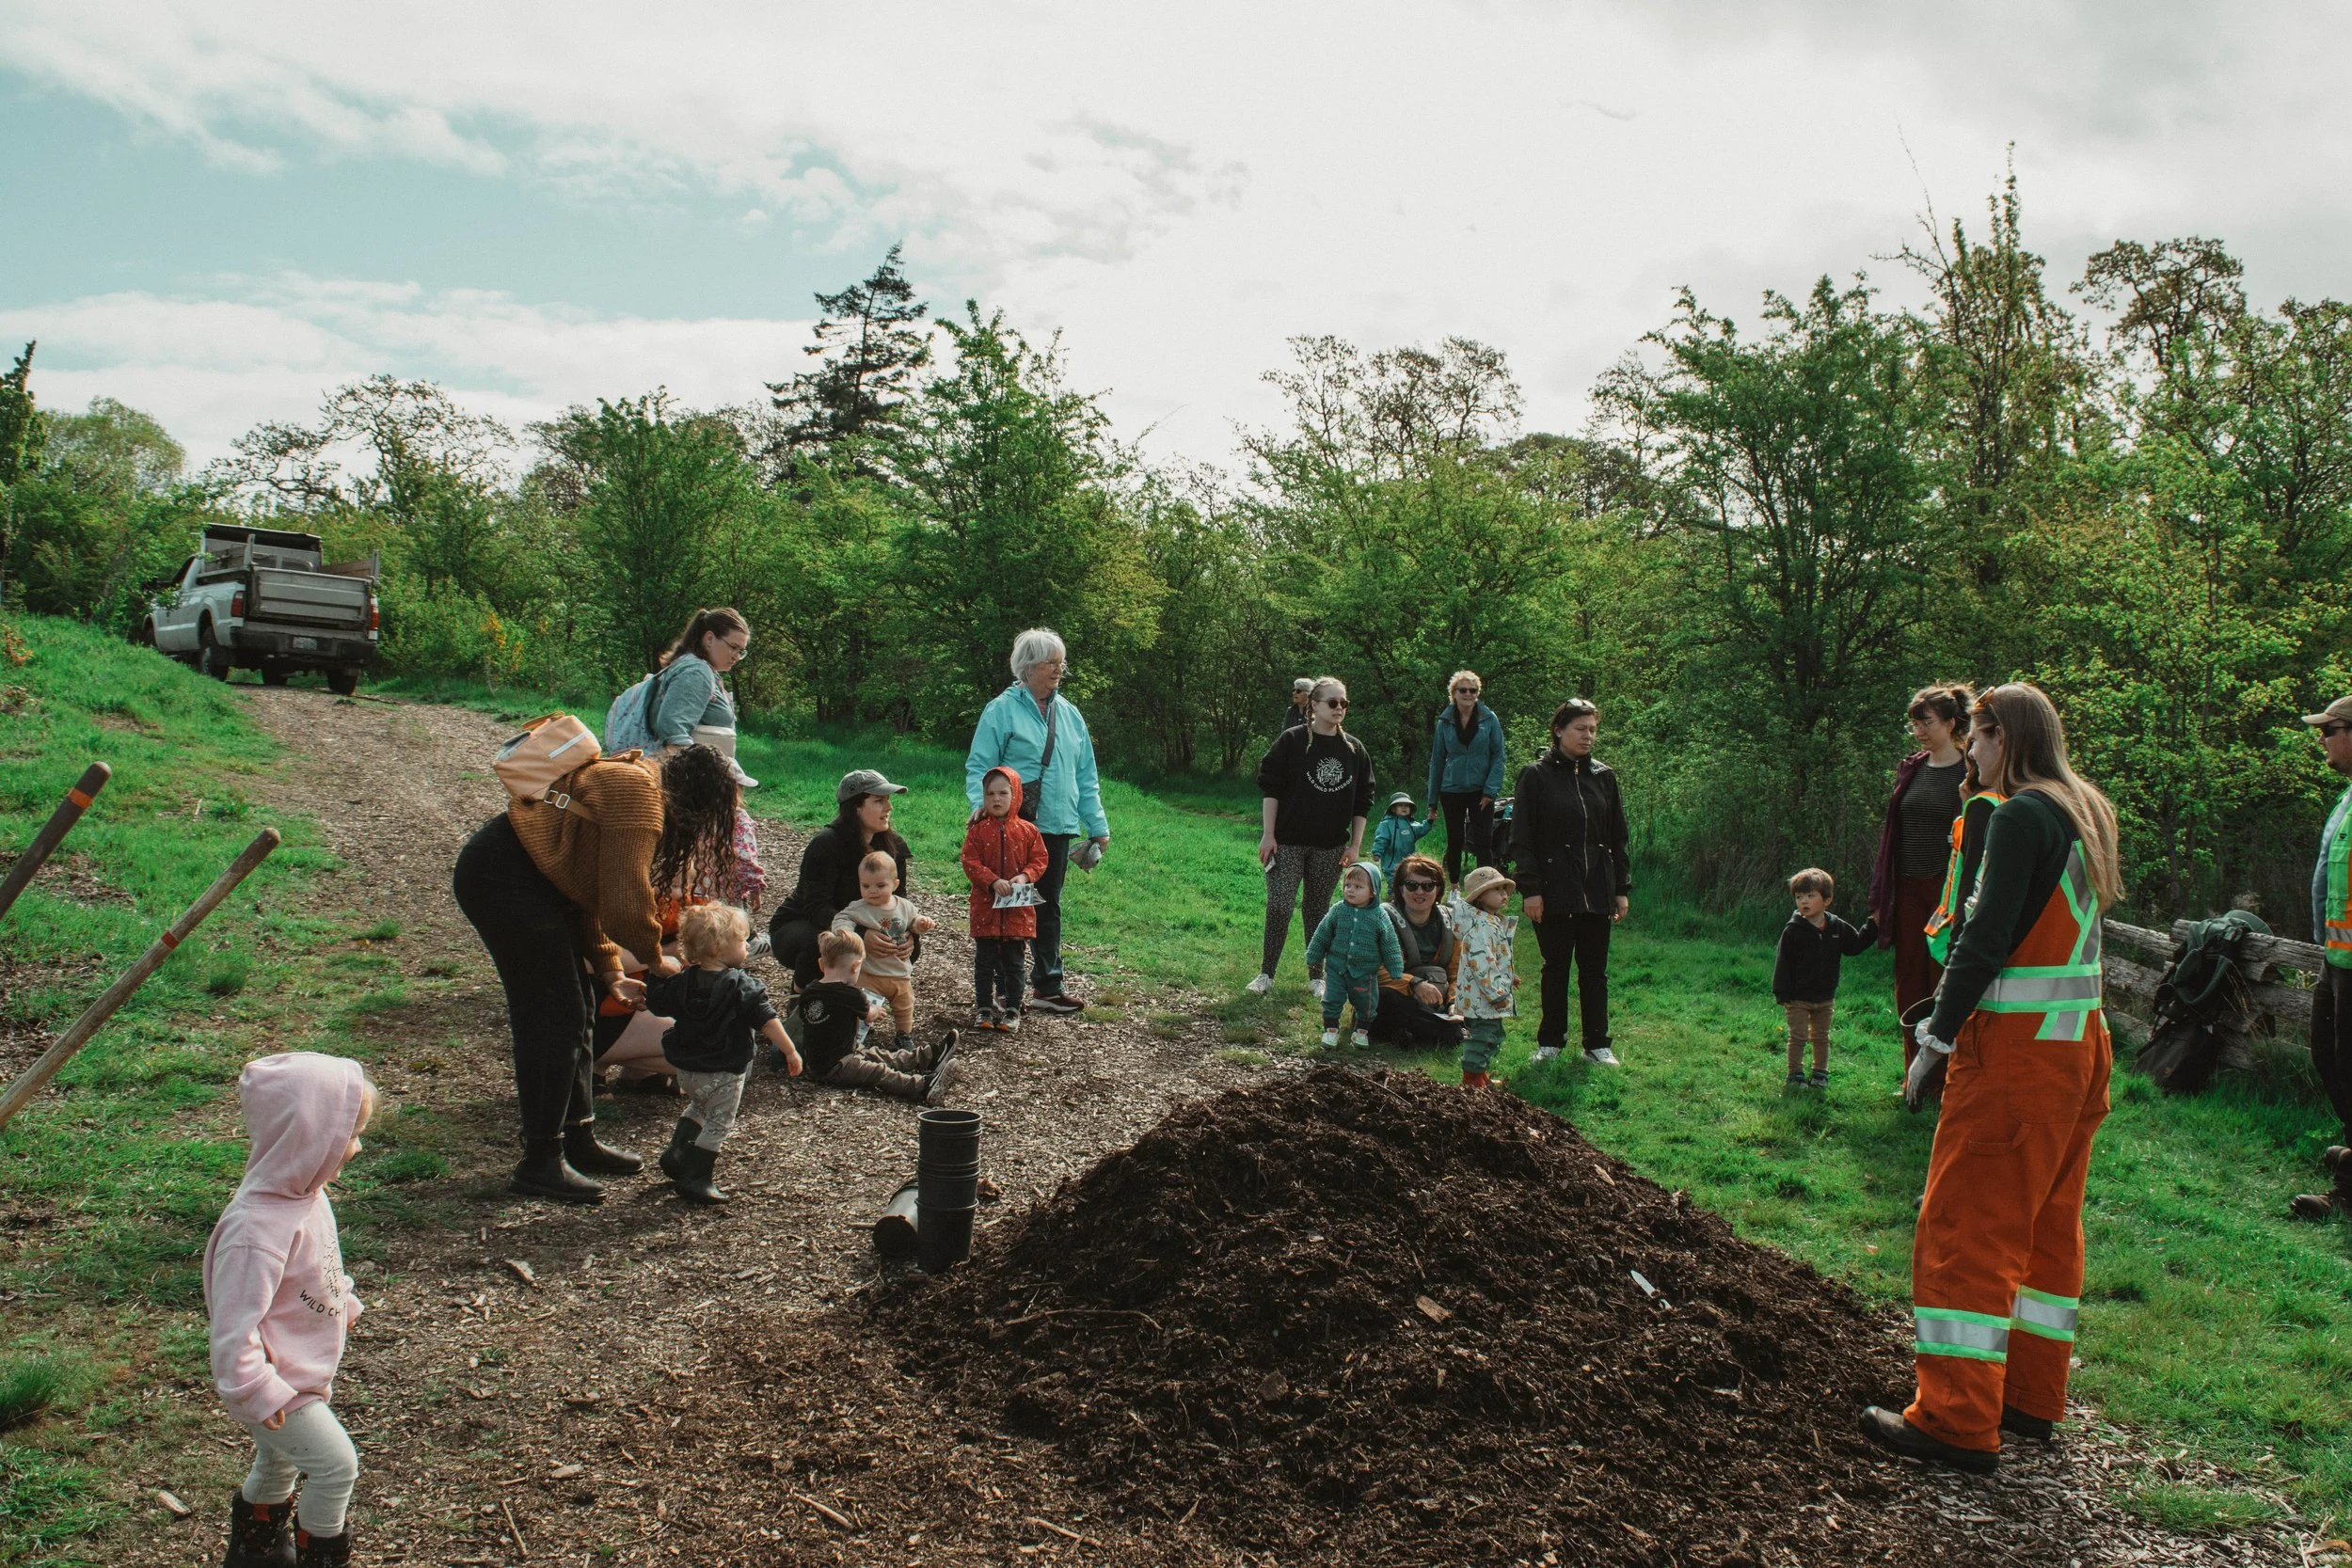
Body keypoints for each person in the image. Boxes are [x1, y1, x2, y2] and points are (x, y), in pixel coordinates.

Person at [1861, 683, 2121, 1475]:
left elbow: (1983, 937)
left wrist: (1933, 1040)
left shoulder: (2015, 816)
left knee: (1966, 1227)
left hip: (2013, 1055)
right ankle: (2028, 1399)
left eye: (1976, 738)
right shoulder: (2085, 810)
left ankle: (1955, 1417)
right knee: (2044, 1229)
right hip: (2078, 1046)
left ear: (2002, 736)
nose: (1968, 754)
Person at [453, 743, 739, 1203]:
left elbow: (590, 895)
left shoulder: (638, 789)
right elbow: (627, 905)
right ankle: (540, 1161)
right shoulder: (640, 800)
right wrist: (655, 959)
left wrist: (609, 971)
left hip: (535, 885)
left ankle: (578, 1138)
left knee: (580, 1006)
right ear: (705, 801)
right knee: (552, 1016)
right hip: (504, 880)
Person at [207, 1053, 373, 1568]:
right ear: (307, 1136)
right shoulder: (256, 1232)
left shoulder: (307, 1195)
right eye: (349, 1133)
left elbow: (317, 1261)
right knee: (336, 1466)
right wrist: (257, 1390)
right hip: (271, 1382)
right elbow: (233, 1329)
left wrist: (337, 1296)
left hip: (296, 1371)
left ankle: (255, 1552)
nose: (358, 1145)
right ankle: (322, 1555)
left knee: (279, 1464)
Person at [963, 628, 1110, 1015]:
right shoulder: (1001, 710)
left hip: (1058, 825)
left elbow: (1086, 775)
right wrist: (982, 805)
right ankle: (1001, 988)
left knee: (1049, 906)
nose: (1058, 669)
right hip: (1013, 826)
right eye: (1050, 662)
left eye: (1061, 662)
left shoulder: (1071, 715)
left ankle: (1048, 985)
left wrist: (1097, 825)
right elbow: (980, 765)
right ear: (1027, 668)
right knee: (1007, 905)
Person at [645, 904, 800, 1206]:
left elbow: (657, 1003)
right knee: (720, 1122)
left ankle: (677, 1152)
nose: (747, 947)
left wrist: (654, 976)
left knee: (699, 1106)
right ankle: (696, 1178)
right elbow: (767, 1020)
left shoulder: (681, 982)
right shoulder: (742, 986)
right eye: (743, 941)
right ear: (720, 947)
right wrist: (790, 1049)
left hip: (687, 1072)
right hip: (725, 1071)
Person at [1511, 699, 1629, 1066]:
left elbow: (1617, 838)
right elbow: (1522, 838)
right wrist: (1531, 889)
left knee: (1595, 970)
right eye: (1580, 728)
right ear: (1559, 730)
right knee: (1556, 966)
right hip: (1552, 888)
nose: (1588, 736)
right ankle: (1551, 1042)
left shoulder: (1604, 778)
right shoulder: (1535, 775)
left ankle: (1597, 1044)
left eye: (1593, 729)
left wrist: (1621, 889)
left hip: (1597, 889)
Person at [1868, 685, 1975, 1072]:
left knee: (1944, 983)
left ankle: (1949, 1076)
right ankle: (1915, 1073)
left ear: (1951, 723)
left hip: (1948, 891)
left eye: (1926, 723)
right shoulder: (1911, 767)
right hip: (1908, 889)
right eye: (1914, 725)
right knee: (1910, 982)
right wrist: (1882, 899)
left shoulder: (1972, 770)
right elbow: (1890, 836)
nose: (1919, 732)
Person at [1248, 676, 1374, 997]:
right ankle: (1266, 974)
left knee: (1317, 911)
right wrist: (1268, 835)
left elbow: (1363, 800)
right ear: (1314, 705)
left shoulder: (1354, 749)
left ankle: (1317, 977)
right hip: (1287, 842)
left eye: (1344, 703)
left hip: (1330, 846)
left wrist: (1355, 845)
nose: (1339, 708)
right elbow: (1271, 788)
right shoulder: (1291, 741)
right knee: (1279, 905)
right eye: (1332, 702)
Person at [767, 770, 914, 990]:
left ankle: (859, 1008)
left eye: (888, 800)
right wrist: (860, 934)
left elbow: (898, 900)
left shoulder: (893, 846)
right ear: (856, 807)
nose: (889, 807)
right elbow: (816, 907)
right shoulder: (826, 844)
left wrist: (906, 934)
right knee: (828, 943)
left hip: (865, 920)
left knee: (902, 945)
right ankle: (803, 999)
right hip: (801, 924)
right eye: (879, 800)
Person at [2292, 693, 2352, 1220]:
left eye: (2329, 729)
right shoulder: (2348, 797)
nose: (2322, 738)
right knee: (2328, 1057)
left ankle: (2347, 1190)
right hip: (2336, 960)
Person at [790, 930, 957, 1103]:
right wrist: (876, 1010)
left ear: (821, 964)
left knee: (879, 1055)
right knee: (878, 1071)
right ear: (856, 966)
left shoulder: (810, 991)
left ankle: (928, 1057)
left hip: (821, 1062)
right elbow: (868, 1016)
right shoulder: (851, 995)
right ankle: (922, 1086)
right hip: (838, 1066)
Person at [961, 767, 1050, 1033]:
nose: (996, 799)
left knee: (1014, 962)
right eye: (990, 794)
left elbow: (1040, 859)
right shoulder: (977, 831)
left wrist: (1024, 876)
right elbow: (969, 860)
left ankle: (1012, 1009)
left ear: (1016, 795)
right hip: (986, 908)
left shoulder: (1028, 831)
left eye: (1003, 793)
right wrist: (991, 880)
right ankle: (983, 1009)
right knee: (984, 962)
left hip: (1017, 911)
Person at [1772, 869, 1878, 1089]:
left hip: (1825, 996)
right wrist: (1782, 994)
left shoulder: (1836, 927)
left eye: (1810, 896)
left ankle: (1820, 1073)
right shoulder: (1792, 931)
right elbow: (1782, 963)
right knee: (1798, 1037)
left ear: (1827, 900)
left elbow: (1855, 945)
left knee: (1821, 1037)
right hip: (1798, 997)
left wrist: (1873, 925)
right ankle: (1795, 1074)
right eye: (1799, 897)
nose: (1804, 901)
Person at [832, 851, 936, 1050]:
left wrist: (920, 924)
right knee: (861, 1001)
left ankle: (903, 1035)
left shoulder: (904, 906)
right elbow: (841, 918)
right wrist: (845, 931)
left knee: (905, 1006)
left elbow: (913, 923)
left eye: (880, 886)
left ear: (895, 884)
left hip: (899, 972)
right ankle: (860, 1030)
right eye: (865, 886)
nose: (872, 891)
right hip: (869, 972)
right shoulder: (859, 908)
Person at [1367, 853, 1468, 1049]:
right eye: (1412, 885)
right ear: (1400, 889)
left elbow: (1458, 972)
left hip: (1438, 1001)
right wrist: (1414, 984)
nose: (1420, 892)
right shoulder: (1380, 920)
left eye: (1428, 886)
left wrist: (1454, 1003)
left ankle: (1426, 1031)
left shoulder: (1451, 922)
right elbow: (1371, 968)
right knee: (1384, 998)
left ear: (1438, 890)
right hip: (1397, 994)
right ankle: (1441, 1032)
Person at [1306, 861, 1404, 1049]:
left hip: (1364, 972)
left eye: (1358, 887)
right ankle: (1330, 1031)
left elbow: (1390, 943)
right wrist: (1314, 955)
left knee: (1366, 1004)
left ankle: (1361, 1032)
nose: (1351, 890)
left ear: (1373, 891)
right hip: (1336, 967)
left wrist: (1395, 967)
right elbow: (1322, 934)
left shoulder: (1379, 916)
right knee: (1331, 1000)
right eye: (1347, 886)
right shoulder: (1338, 910)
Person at [1427, 671, 1506, 883]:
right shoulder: (1444, 722)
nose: (1468, 694)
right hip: (1451, 789)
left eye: (1473, 690)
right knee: (1455, 839)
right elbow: (1437, 760)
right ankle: (1453, 886)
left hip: (1481, 790)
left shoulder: (1489, 719)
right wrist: (1432, 800)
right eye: (1463, 690)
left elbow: (1498, 755)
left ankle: (1487, 887)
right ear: (1454, 693)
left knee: (1484, 840)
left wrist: (1491, 791)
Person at [1450, 865, 1518, 1088]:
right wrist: (1497, 991)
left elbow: (1496, 959)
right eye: (1496, 889)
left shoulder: (1490, 921)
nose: (1504, 894)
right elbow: (1481, 963)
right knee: (1481, 1036)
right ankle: (1471, 1080)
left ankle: (1481, 1076)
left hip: (1484, 995)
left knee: (1490, 1034)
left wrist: (1509, 977)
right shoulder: (1481, 927)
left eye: (1504, 889)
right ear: (1479, 897)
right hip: (1482, 997)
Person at [1372, 791, 1435, 895]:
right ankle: (1393, 893)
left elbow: (1422, 829)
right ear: (1393, 809)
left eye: (1406, 805)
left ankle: (1407, 893)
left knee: (1409, 875)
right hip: (1392, 859)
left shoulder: (1412, 824)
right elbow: (1381, 838)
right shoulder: (1386, 824)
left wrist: (1429, 821)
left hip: (1408, 858)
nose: (1404, 808)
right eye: (1400, 805)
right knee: (1394, 877)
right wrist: (1377, 852)